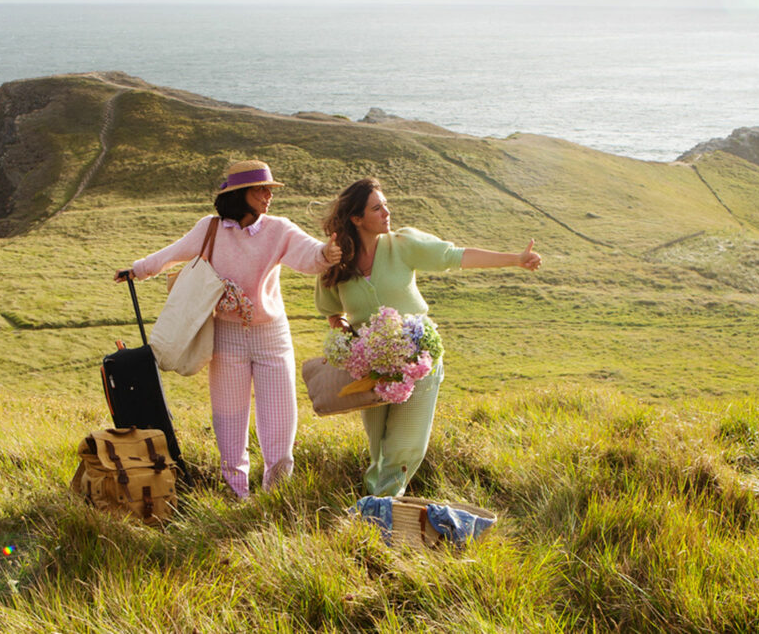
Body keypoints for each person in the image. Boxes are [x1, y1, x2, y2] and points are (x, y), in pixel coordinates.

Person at [116, 160, 341, 499]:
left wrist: (326, 252)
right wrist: (137, 270)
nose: (269, 196)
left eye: (270, 189)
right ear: (240, 195)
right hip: (227, 336)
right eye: (261, 190)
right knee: (229, 421)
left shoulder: (278, 229)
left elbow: (309, 255)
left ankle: (276, 497)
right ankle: (237, 495)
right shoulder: (209, 229)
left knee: (280, 420)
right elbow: (173, 254)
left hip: (272, 336)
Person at [315, 178, 541, 497]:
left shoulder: (403, 243)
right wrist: (350, 343)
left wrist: (515, 259)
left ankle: (381, 508)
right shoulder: (339, 259)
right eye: (377, 208)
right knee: (378, 445)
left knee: (405, 443)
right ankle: (375, 503)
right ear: (356, 218)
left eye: (385, 205)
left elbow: (455, 256)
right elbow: (331, 311)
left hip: (417, 358)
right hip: (372, 370)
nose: (386, 212)